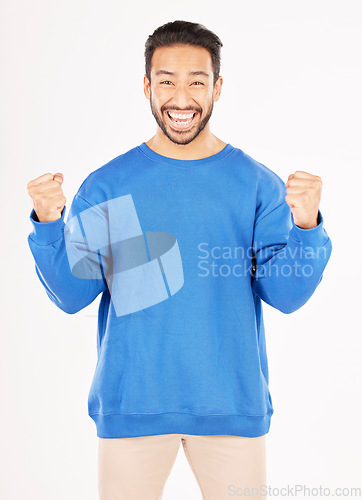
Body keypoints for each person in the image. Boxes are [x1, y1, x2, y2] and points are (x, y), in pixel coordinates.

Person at [26, 20, 332, 500]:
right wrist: (48, 223)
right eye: (166, 80)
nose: (181, 97)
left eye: (197, 81)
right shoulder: (110, 185)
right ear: (147, 86)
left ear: (217, 88)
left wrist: (308, 225)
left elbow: (286, 294)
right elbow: (71, 293)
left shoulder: (255, 184)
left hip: (231, 406)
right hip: (134, 406)